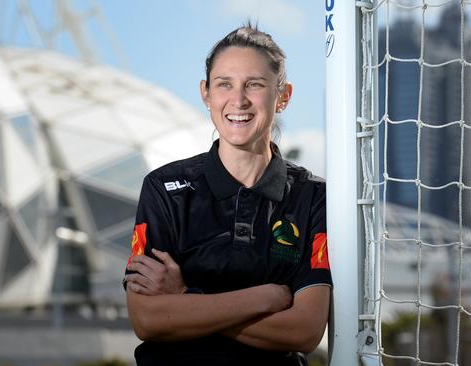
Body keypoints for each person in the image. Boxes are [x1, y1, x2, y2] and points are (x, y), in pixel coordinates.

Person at [123, 23, 332, 366]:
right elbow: (148, 320)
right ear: (206, 93)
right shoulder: (165, 188)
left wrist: (184, 297)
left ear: (283, 96)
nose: (238, 100)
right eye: (224, 84)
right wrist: (266, 297)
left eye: (255, 84)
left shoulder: (313, 196)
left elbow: (304, 331)